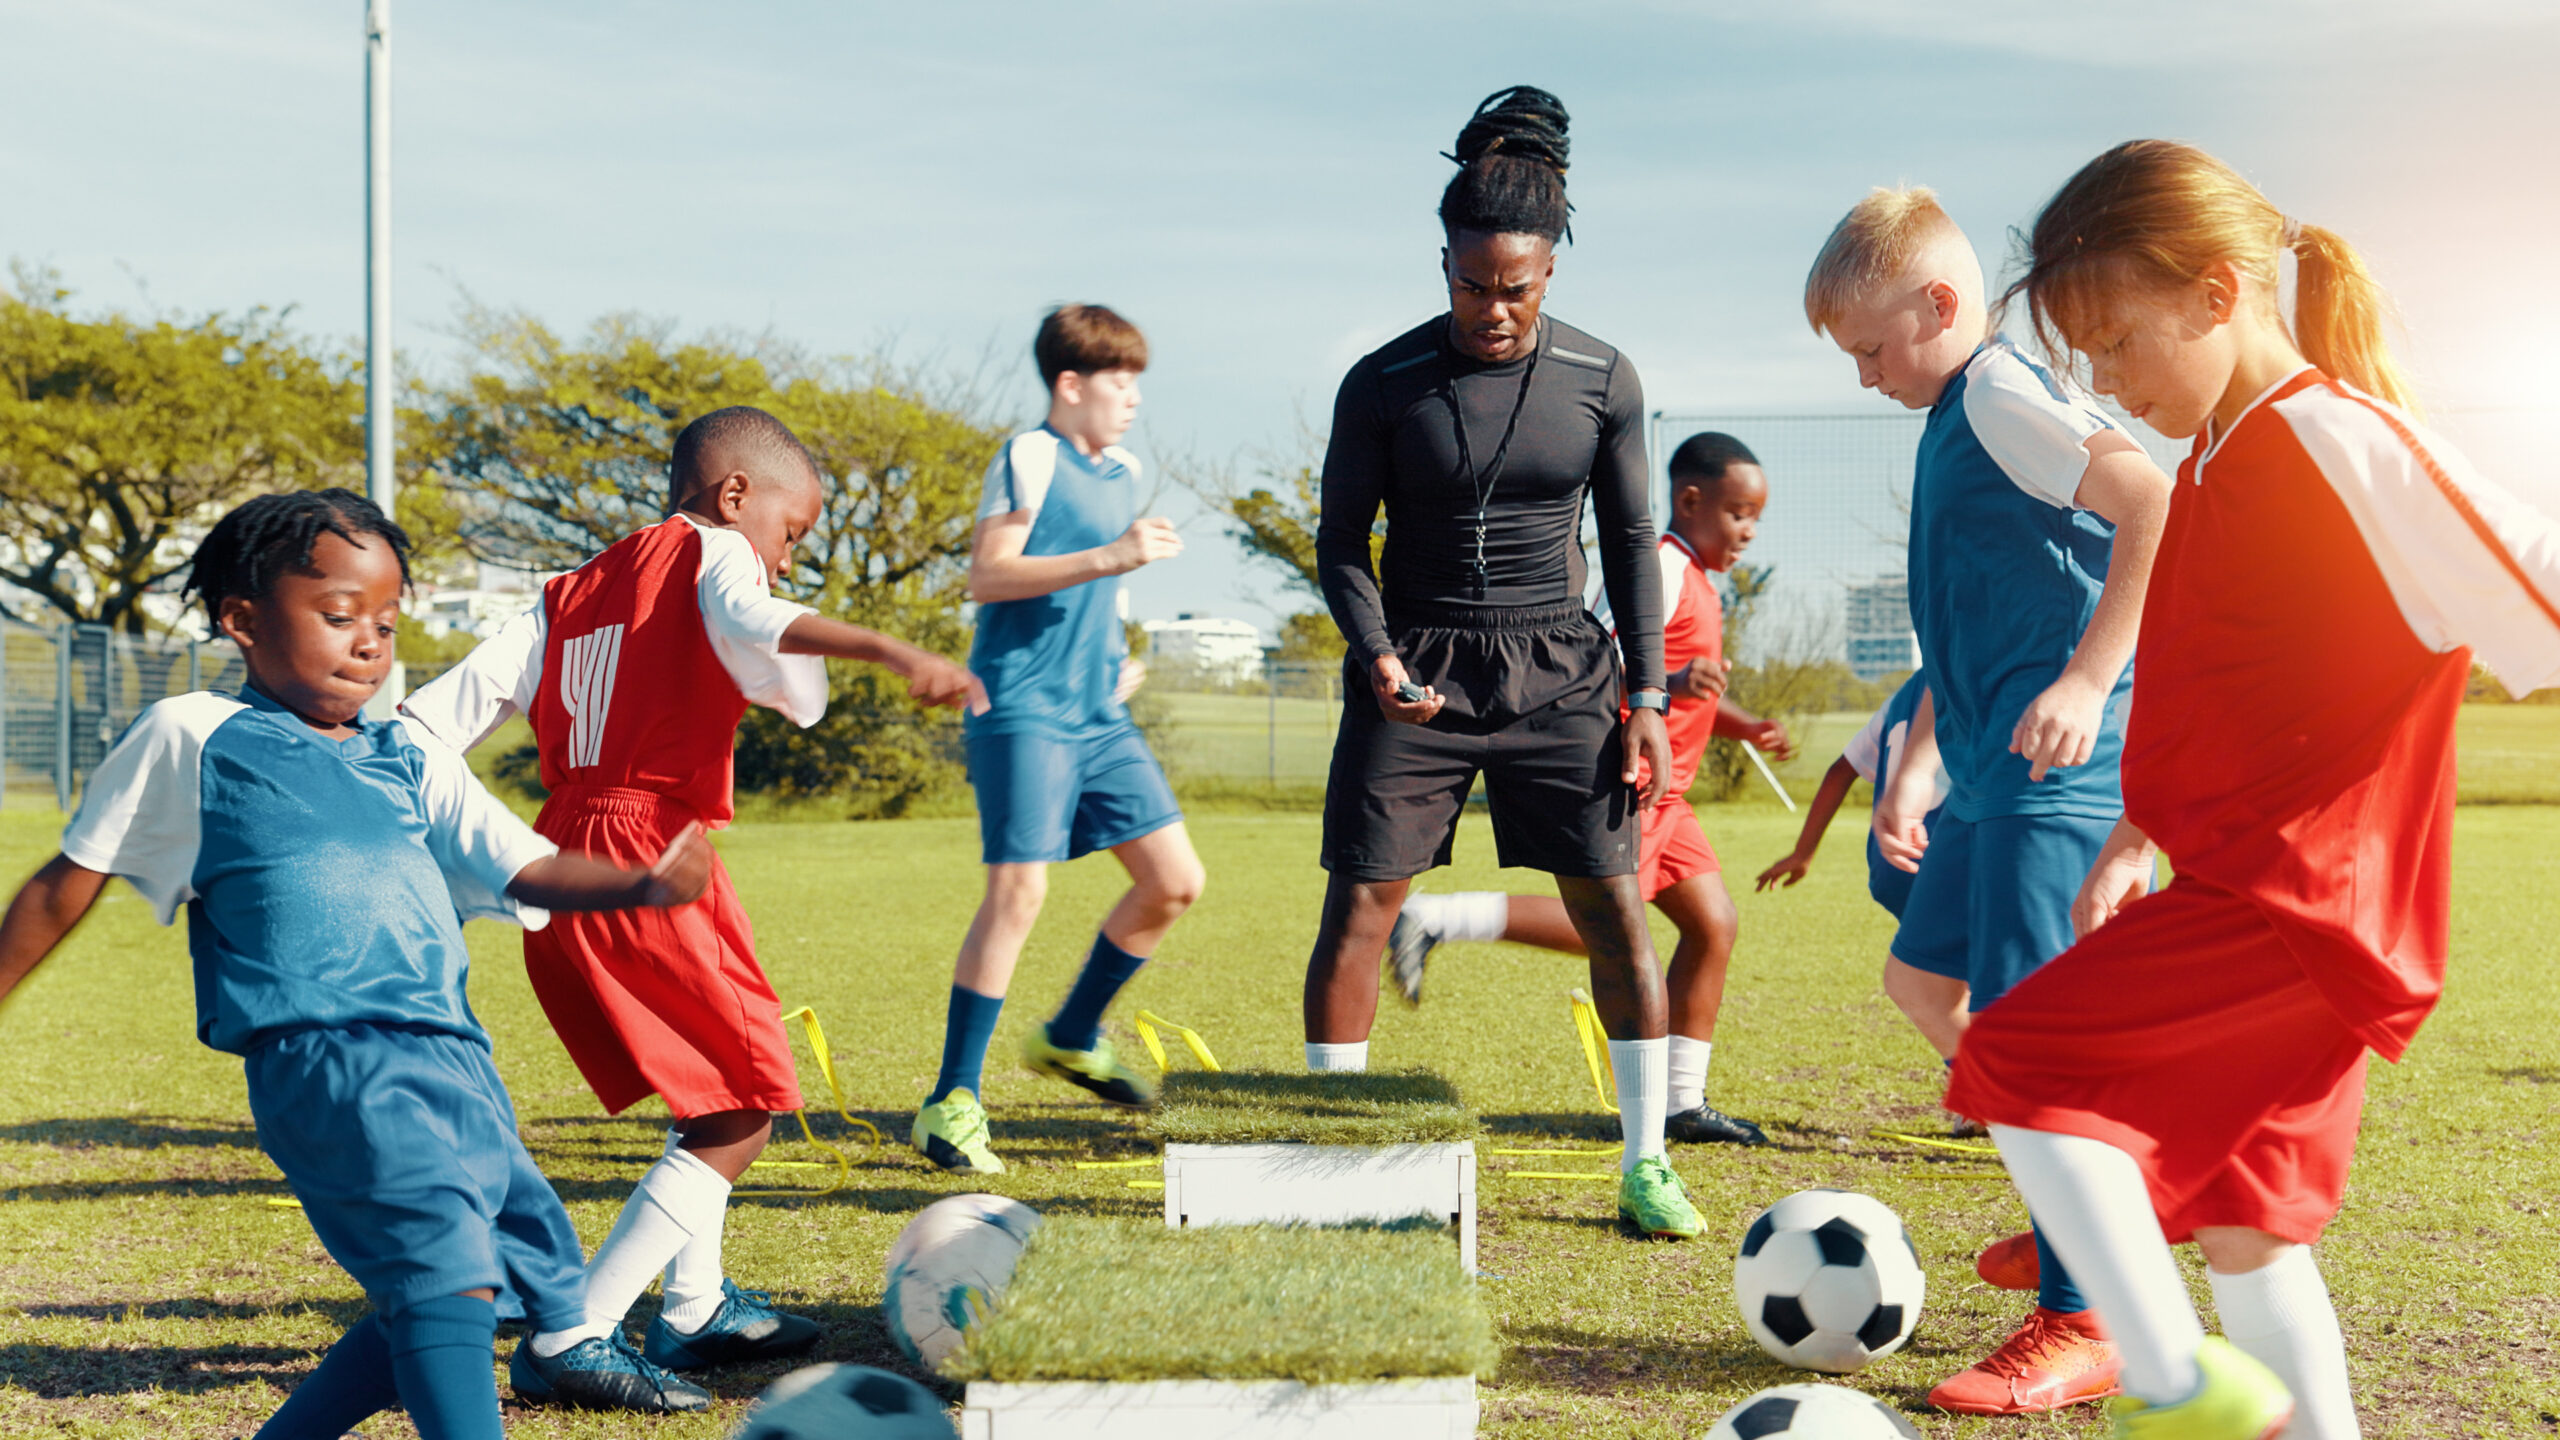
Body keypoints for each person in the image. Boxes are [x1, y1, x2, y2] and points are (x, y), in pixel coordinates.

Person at [1951, 139, 2560, 1440]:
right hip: (2262, 898)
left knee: (2014, 1063)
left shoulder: (2338, 440)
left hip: (2304, 909)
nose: (2107, 384)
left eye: (2118, 345)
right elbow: (2217, 692)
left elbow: (2539, 582)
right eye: (2085, 362)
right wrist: (2136, 828)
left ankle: (2176, 1390)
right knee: (2247, 1229)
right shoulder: (2217, 461)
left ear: (2218, 294)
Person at [0, 489, 724, 1436]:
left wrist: (640, 883)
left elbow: (533, 867)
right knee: (443, 1276)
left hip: (456, 1063)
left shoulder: (408, 757)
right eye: (338, 617)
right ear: (243, 621)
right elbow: (67, 883)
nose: (369, 642)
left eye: (384, 622)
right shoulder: (194, 735)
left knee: (449, 1288)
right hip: (328, 1058)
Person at [400, 407, 983, 1378]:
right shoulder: (714, 550)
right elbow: (753, 617)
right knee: (741, 1110)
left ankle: (697, 1307)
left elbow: (423, 726)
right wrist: (888, 649)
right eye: (791, 535)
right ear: (734, 495)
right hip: (649, 857)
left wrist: (499, 847)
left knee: (704, 1092)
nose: (785, 560)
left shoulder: (558, 593)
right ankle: (570, 1333)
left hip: (572, 855)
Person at [1301, 85, 1697, 1241]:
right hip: (1414, 663)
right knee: (1364, 906)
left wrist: (1646, 699)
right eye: (1470, 287)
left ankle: (1644, 1162)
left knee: (1616, 912)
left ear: (1550, 271)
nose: (1491, 310)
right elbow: (1340, 542)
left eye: (1513, 290)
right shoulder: (1382, 383)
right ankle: (1337, 1164)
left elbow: (1628, 542)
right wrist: (1373, 653)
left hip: (1561, 670)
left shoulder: (1603, 380)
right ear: (1444, 267)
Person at [1806, 184, 2177, 1414]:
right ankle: (2083, 1202)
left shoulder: (1999, 394)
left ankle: (2084, 1313)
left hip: (2059, 775)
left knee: (2033, 1045)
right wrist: (1918, 760)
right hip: (1990, 777)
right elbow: (1966, 620)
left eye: (1870, 348)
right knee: (1921, 983)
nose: (1864, 378)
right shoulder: (1959, 409)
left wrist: (2086, 674)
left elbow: (2148, 505)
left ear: (1938, 304)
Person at [1385, 432, 1794, 1146]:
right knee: (1609, 930)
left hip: (1671, 791)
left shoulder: (1697, 577)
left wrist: (1745, 724)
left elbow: (1685, 693)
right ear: (1692, 501)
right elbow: (1596, 652)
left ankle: (1681, 1103)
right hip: (1631, 780)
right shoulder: (1662, 568)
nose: (1749, 531)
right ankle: (1436, 918)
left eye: (1755, 516)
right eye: (1739, 513)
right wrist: (1666, 685)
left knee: (1712, 924)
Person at [907, 303, 1207, 1176]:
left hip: (1096, 714)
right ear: (1070, 385)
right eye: (1121, 383)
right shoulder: (1028, 454)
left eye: (1137, 384)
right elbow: (988, 575)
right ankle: (950, 1104)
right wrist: (1115, 556)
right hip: (1023, 708)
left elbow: (1102, 588)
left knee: (1175, 881)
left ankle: (1072, 1036)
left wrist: (1119, 657)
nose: (1134, 400)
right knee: (1019, 895)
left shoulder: (1123, 469)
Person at [1755, 670, 1966, 1067]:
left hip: (1893, 870)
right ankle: (1992, 1090)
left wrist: (1803, 852)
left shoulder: (1902, 696)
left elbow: (1841, 770)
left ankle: (1977, 1087)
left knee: (1940, 982)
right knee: (1975, 983)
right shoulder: (1970, 671)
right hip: (1944, 860)